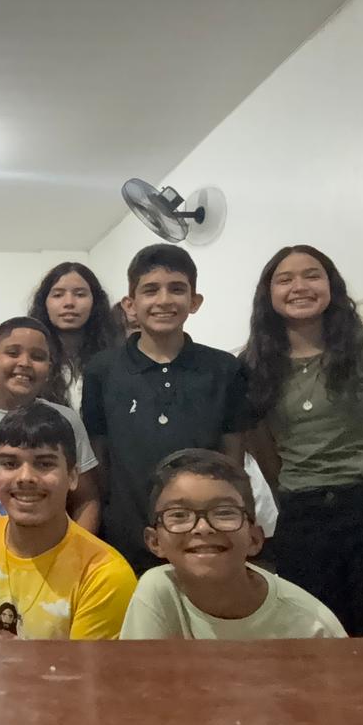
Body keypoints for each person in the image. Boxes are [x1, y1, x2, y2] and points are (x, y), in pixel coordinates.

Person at [243, 245, 363, 637]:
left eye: (312, 275)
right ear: (268, 295)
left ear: (332, 285)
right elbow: (264, 453)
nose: (300, 286)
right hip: (305, 520)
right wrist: (298, 496)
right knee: (318, 645)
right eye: (285, 279)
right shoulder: (253, 366)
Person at [81, 245, 248, 574]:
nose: (164, 300)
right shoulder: (103, 370)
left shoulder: (223, 369)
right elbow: (99, 456)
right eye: (150, 290)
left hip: (203, 532)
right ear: (130, 304)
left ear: (195, 301)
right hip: (126, 534)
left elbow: (233, 457)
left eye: (177, 289)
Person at [0, 403, 136, 641]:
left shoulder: (105, 575)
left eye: (44, 464)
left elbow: (84, 666)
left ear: (73, 476)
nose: (25, 477)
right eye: (10, 464)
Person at [121, 449, 345, 640]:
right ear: (155, 541)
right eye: (179, 515)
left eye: (224, 512)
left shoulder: (312, 627)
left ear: (254, 539)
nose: (203, 528)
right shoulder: (159, 589)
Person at [0, 317, 100, 543]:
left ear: (49, 368)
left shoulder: (67, 420)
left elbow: (87, 498)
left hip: (50, 551)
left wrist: (74, 549)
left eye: (38, 356)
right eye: (13, 353)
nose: (24, 362)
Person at [28, 262, 122, 411]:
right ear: (44, 302)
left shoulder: (116, 358)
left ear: (95, 301)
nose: (69, 303)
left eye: (80, 294)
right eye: (58, 295)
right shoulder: (31, 361)